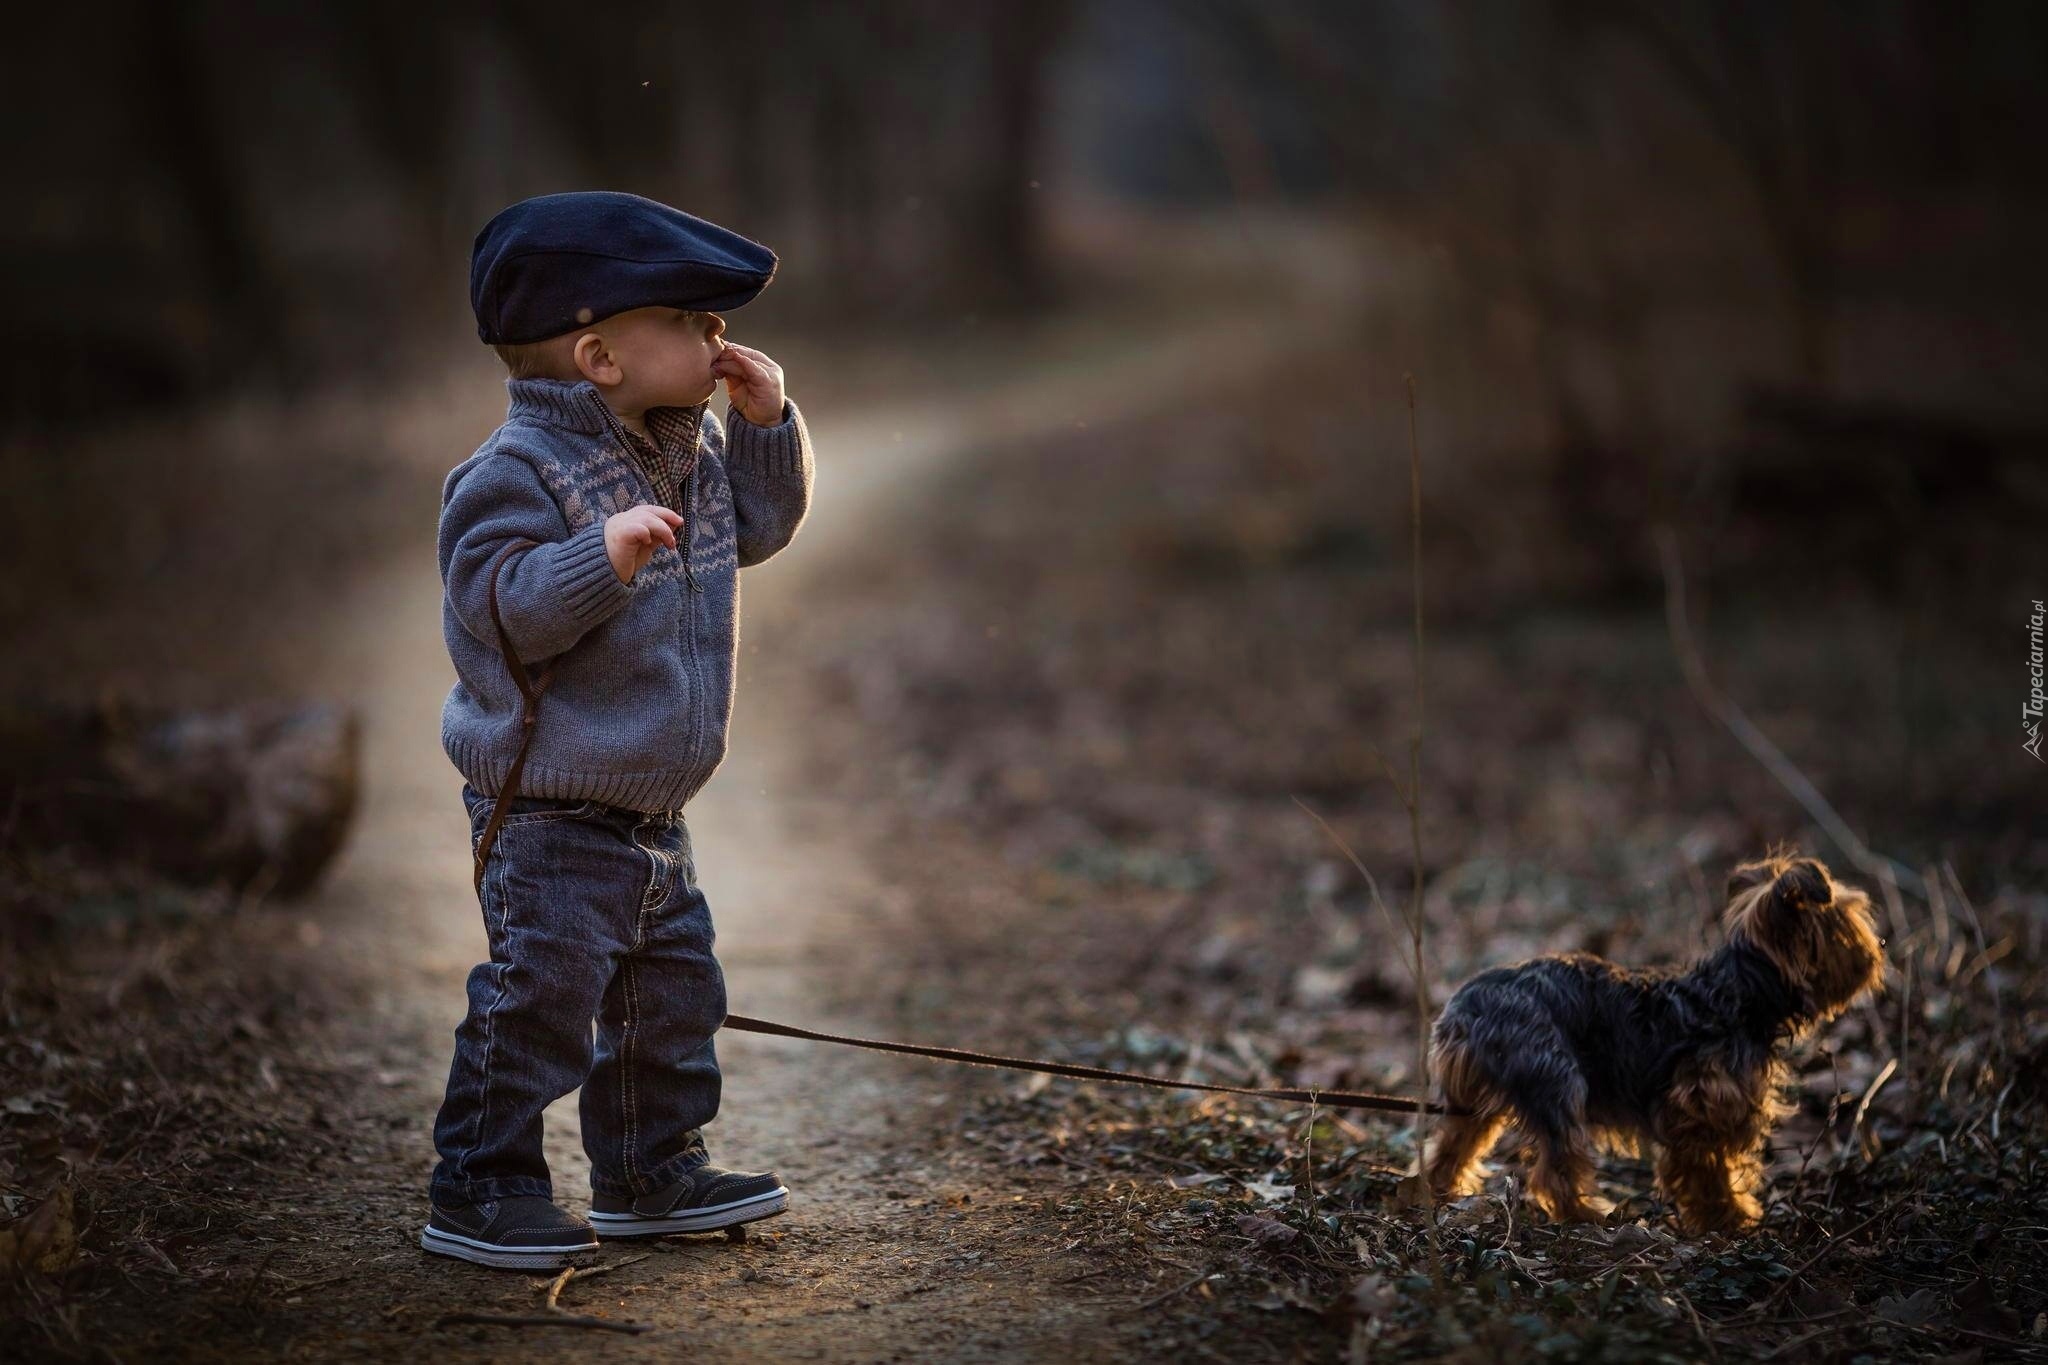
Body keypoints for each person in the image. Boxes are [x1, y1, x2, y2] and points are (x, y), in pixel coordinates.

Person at [421, 191, 814, 1270]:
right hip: (548, 812)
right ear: (599, 355)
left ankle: (649, 1172)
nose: (716, 339)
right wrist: (605, 554)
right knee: (537, 1005)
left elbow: (759, 533)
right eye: (691, 323)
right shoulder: (512, 472)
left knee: (671, 1001)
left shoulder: (678, 445)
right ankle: (479, 1185)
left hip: (651, 809)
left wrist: (766, 426)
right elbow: (503, 609)